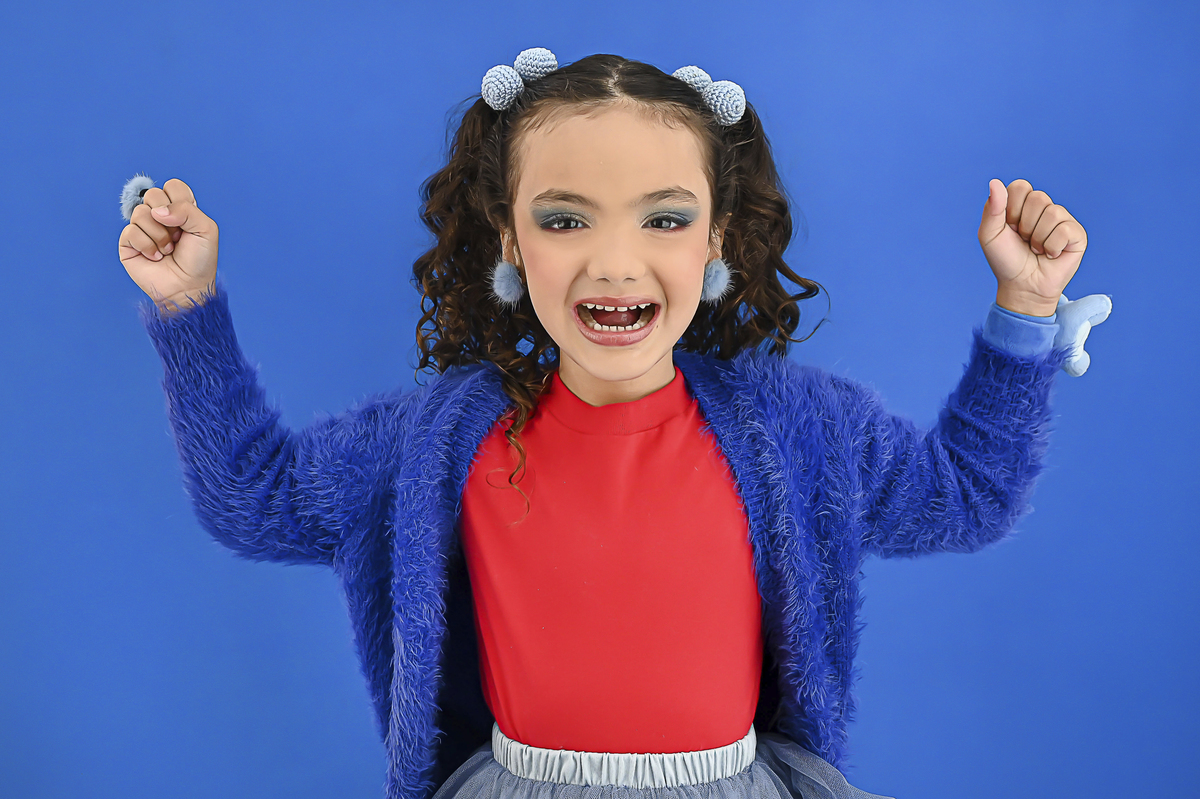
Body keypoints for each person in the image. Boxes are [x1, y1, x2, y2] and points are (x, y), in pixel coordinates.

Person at [117, 48, 1109, 799]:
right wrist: (186, 307)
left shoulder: (802, 429)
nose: (616, 261)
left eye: (664, 218)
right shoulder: (432, 442)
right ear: (510, 238)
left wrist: (1025, 310)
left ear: (717, 236)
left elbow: (966, 498)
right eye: (564, 219)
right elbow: (255, 499)